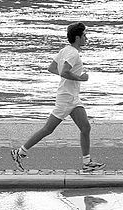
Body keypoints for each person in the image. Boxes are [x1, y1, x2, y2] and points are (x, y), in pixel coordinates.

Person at [11, 22, 106, 172]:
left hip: (71, 97)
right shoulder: (73, 53)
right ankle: (20, 152)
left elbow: (52, 68)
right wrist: (80, 78)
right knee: (48, 129)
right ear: (77, 37)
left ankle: (87, 162)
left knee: (85, 127)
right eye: (84, 35)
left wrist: (67, 76)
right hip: (66, 98)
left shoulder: (65, 50)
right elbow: (64, 72)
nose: (86, 38)